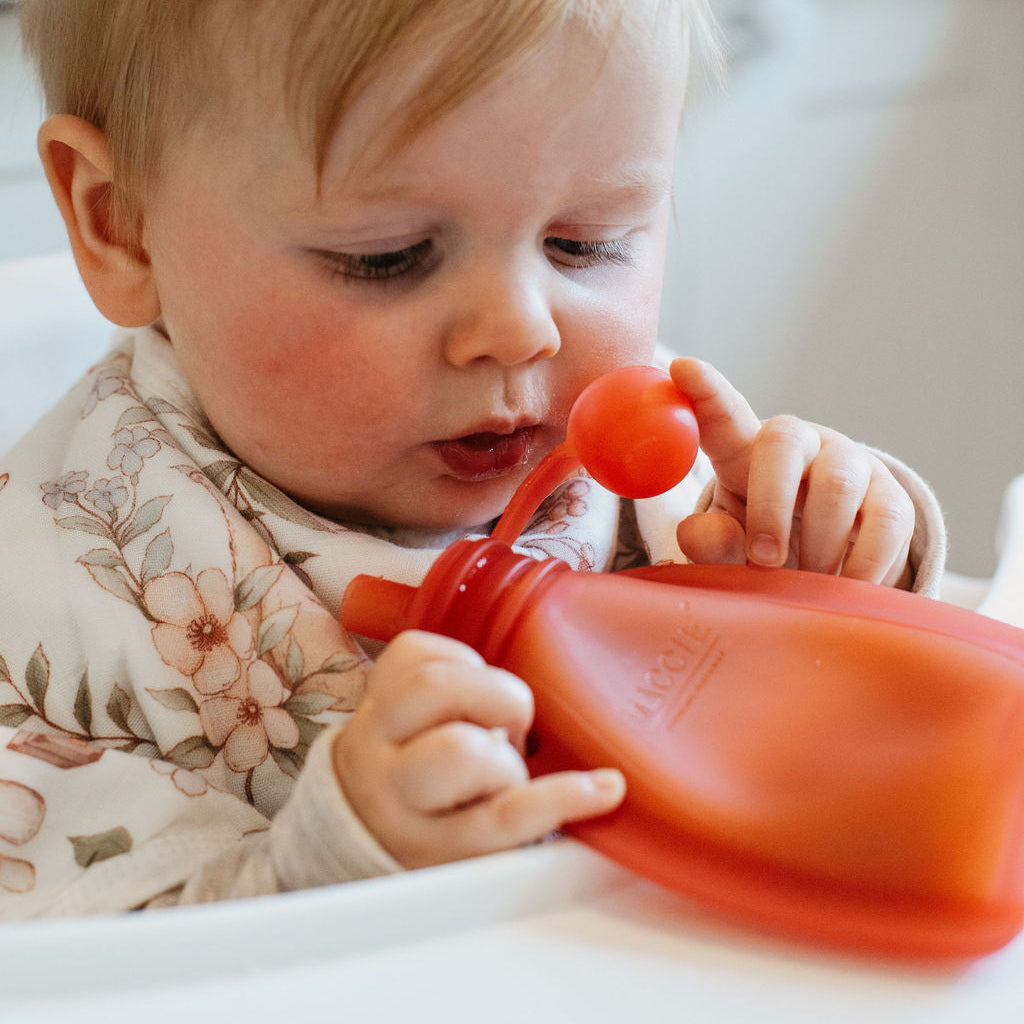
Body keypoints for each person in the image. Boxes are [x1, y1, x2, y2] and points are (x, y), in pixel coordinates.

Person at [0, 0, 944, 915]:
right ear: (121, 222)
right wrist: (337, 856)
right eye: (389, 256)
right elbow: (86, 955)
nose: (519, 329)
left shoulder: (642, 448)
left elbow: (834, 721)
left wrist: (841, 545)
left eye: (587, 244)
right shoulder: (50, 588)